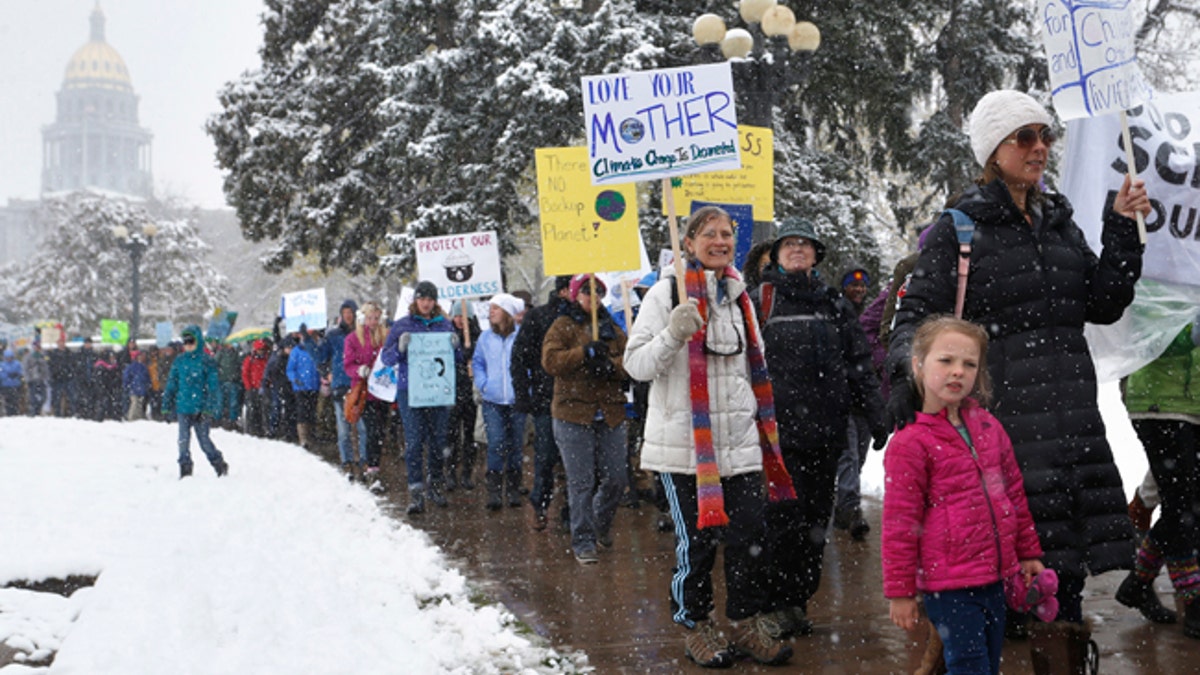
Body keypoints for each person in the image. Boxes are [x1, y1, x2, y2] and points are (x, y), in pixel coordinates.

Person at [885, 89, 1151, 670]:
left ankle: (1060, 662)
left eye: (1044, 136)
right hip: (1002, 434)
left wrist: (1122, 228)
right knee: (1002, 582)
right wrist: (906, 390)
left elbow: (1102, 303)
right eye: (1024, 137)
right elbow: (916, 320)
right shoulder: (959, 229)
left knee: (1064, 581)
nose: (1040, 148)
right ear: (993, 151)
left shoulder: (1059, 222)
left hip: (1073, 424)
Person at [624, 205, 796, 668]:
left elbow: (750, 367)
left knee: (749, 537)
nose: (719, 241)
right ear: (689, 243)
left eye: (726, 234)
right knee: (697, 544)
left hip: (738, 445)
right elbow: (636, 365)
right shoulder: (666, 293)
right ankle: (694, 625)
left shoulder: (740, 296)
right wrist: (673, 334)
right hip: (685, 449)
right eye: (709, 234)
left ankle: (743, 622)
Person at [883, 316, 1046, 675]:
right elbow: (900, 523)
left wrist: (1028, 552)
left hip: (995, 577)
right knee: (969, 666)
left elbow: (1014, 497)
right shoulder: (911, 442)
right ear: (918, 365)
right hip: (950, 585)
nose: (957, 371)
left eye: (968, 364)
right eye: (946, 360)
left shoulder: (989, 427)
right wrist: (900, 590)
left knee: (986, 661)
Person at [754, 217, 886, 636]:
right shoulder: (761, 301)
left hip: (826, 437)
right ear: (775, 255)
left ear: (815, 256)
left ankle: (797, 601)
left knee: (815, 524)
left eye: (805, 245)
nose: (797, 250)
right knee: (781, 523)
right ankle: (773, 606)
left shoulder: (834, 303)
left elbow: (859, 364)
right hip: (776, 440)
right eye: (789, 244)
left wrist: (877, 412)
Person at [1116, 319, 1200, 637]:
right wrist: (1189, 334)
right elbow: (1146, 333)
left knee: (1190, 507)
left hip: (1196, 403)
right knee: (1182, 509)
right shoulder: (1160, 271)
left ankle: (1138, 581)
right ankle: (1193, 600)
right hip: (1160, 402)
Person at [541, 274, 628, 564]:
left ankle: (599, 523)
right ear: (576, 295)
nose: (594, 298)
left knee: (616, 478)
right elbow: (551, 361)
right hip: (572, 413)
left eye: (599, 292)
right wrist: (583, 353)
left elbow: (630, 360)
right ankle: (583, 540)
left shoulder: (612, 327)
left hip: (611, 412)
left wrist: (609, 366)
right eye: (588, 293)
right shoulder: (562, 325)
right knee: (581, 482)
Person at [382, 281, 459, 513]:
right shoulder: (402, 325)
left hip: (437, 391)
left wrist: (456, 347)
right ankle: (416, 491)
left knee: (437, 441)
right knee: (414, 442)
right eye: (422, 298)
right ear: (415, 300)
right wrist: (400, 348)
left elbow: (455, 360)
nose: (426, 303)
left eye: (430, 299)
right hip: (410, 391)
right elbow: (387, 358)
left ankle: (435, 485)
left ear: (435, 301)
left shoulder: (444, 325)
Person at [512, 275, 573, 530]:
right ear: (562, 291)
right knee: (546, 456)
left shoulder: (586, 318)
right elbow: (519, 357)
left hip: (575, 399)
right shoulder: (538, 317)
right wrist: (524, 394)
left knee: (574, 459)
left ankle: (572, 510)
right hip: (545, 398)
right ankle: (541, 502)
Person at [834, 263, 876, 540]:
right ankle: (850, 508)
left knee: (858, 455)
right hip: (844, 397)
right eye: (853, 284)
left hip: (865, 399)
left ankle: (843, 503)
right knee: (848, 454)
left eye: (862, 285)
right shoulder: (837, 312)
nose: (858, 289)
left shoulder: (870, 317)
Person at [474, 293, 527, 511]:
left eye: (495, 308)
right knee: (496, 444)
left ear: (506, 312)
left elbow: (530, 364)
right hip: (493, 400)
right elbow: (478, 362)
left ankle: (513, 488)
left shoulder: (522, 337)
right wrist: (483, 384)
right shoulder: (485, 338)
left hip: (517, 400)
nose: (491, 312)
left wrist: (526, 388)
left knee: (515, 444)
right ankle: (494, 490)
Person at [161, 325, 229, 478]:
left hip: (201, 409)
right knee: (183, 441)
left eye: (191, 341)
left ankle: (219, 463)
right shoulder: (179, 361)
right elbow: (171, 384)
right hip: (183, 407)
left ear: (198, 341)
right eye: (185, 342)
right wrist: (166, 406)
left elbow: (213, 387)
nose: (188, 345)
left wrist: (210, 409)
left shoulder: (207, 361)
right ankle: (185, 469)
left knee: (204, 441)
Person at [344, 301, 390, 491]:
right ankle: (371, 470)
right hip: (364, 393)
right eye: (369, 318)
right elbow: (348, 364)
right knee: (371, 431)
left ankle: (371, 466)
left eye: (376, 318)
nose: (373, 322)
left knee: (379, 432)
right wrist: (359, 370)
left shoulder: (385, 336)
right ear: (362, 319)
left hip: (383, 392)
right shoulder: (353, 339)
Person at [325, 299, 369, 479]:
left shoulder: (363, 333)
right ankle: (347, 461)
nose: (348, 315)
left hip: (359, 385)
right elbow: (322, 356)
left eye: (351, 312)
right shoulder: (333, 335)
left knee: (363, 428)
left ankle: (364, 459)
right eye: (345, 312)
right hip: (340, 386)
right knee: (343, 429)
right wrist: (326, 371)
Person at [447, 299, 481, 490]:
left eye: (463, 316)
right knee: (451, 435)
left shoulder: (478, 336)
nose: (460, 320)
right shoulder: (447, 334)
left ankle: (467, 472)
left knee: (470, 435)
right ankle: (450, 472)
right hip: (452, 391)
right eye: (457, 315)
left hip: (470, 392)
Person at [287, 328, 321, 448]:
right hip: (300, 388)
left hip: (314, 386)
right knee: (302, 412)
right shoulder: (296, 351)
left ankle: (311, 435)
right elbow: (290, 369)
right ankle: (303, 438)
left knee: (312, 412)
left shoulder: (316, 350)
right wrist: (295, 379)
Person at [241, 339, 270, 437]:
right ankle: (251, 429)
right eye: (259, 349)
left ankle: (261, 429)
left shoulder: (266, 359)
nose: (261, 351)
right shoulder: (250, 359)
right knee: (252, 410)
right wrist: (249, 387)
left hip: (263, 388)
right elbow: (245, 374)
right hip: (252, 388)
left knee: (263, 409)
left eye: (262, 349)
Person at [215, 341, 243, 431]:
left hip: (233, 381)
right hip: (221, 381)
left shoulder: (236, 354)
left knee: (233, 403)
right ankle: (218, 420)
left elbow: (240, 364)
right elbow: (214, 364)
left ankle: (232, 421)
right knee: (220, 402)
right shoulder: (221, 353)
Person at [22, 341, 49, 416]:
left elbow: (47, 367)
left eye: (39, 347)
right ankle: (33, 412)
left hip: (42, 379)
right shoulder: (28, 356)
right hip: (32, 379)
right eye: (36, 347)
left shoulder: (43, 355)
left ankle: (39, 409)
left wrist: (46, 377)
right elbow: (25, 368)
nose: (37, 348)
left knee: (43, 397)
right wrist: (27, 379)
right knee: (33, 397)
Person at [122, 350, 151, 420]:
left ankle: (138, 417)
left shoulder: (143, 366)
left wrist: (147, 384)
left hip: (141, 388)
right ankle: (131, 417)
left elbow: (146, 377)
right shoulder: (131, 367)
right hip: (134, 388)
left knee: (139, 404)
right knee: (134, 403)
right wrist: (127, 385)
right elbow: (126, 377)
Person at [0, 349, 22, 415]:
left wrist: (17, 375)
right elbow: (1, 373)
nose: (9, 359)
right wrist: (7, 376)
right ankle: (9, 413)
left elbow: (21, 371)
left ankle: (15, 413)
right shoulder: (2, 364)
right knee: (8, 400)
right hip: (6, 385)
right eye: (7, 357)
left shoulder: (17, 363)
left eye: (10, 357)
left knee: (15, 400)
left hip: (16, 385)